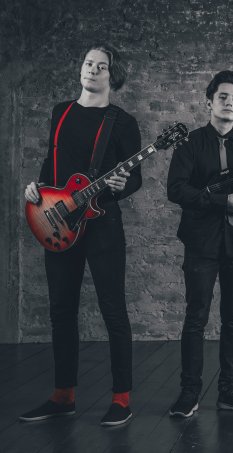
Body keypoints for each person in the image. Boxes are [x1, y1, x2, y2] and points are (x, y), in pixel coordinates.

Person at [21, 44, 141, 426]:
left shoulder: (122, 122)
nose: (91, 69)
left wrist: (121, 185)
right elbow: (52, 162)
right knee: (61, 310)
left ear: (113, 76)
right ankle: (63, 396)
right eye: (88, 63)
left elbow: (135, 178)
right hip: (57, 221)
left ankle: (121, 399)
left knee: (113, 309)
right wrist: (37, 189)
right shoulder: (61, 112)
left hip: (102, 225)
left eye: (101, 66)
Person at [167, 70, 233, 417]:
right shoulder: (189, 144)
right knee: (196, 317)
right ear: (209, 102)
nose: (229, 103)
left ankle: (230, 391)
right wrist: (223, 201)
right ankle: (189, 393)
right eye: (223, 97)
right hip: (201, 243)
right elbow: (176, 190)